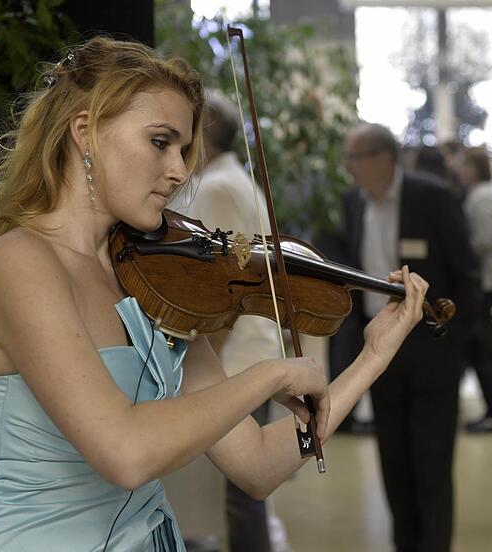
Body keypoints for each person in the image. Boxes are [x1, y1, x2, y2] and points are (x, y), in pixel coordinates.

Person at [0, 37, 429, 551]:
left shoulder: (154, 281)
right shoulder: (16, 264)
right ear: (84, 133)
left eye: (184, 150)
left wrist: (373, 356)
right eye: (160, 142)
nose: (179, 170)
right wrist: (270, 374)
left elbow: (259, 465)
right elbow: (124, 452)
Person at [337, 122, 480, 552]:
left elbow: (467, 276)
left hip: (431, 348)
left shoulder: (432, 197)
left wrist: (454, 343)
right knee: (394, 462)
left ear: (382, 159)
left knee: (432, 464)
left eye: (354, 159)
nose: (347, 168)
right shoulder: (352, 203)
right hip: (379, 350)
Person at [167, 90, 287, 552]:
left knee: (241, 493)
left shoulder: (217, 186)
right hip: (243, 351)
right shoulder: (228, 178)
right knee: (239, 493)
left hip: (236, 357)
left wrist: (202, 361)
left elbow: (226, 288)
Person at [458, 147, 492, 433]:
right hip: (486, 279)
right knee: (482, 346)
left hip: (484, 280)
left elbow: (487, 239)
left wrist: (460, 246)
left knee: (484, 348)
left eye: (466, 165)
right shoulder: (484, 193)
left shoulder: (482, 196)